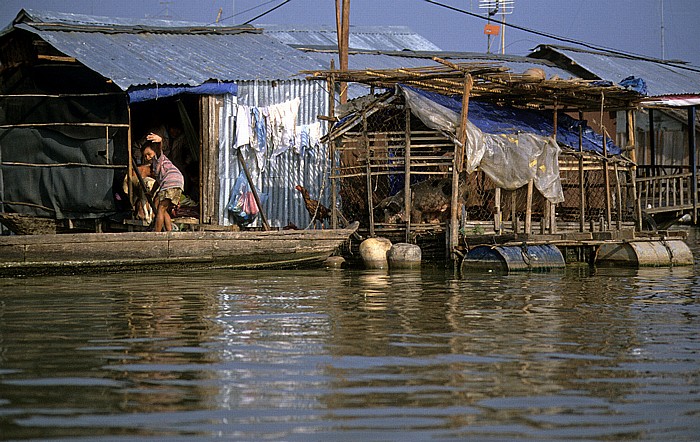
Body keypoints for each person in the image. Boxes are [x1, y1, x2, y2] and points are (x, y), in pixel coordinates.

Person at [141, 137, 184, 232]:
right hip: (177, 182)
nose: (148, 157)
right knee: (164, 209)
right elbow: (157, 182)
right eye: (145, 156)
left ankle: (157, 234)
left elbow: (159, 149)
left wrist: (160, 141)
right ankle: (169, 232)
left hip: (170, 181)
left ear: (154, 152)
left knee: (160, 208)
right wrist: (151, 193)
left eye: (149, 154)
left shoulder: (158, 159)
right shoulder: (156, 167)